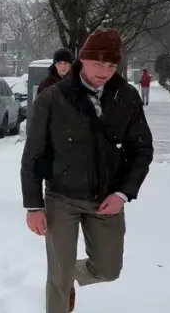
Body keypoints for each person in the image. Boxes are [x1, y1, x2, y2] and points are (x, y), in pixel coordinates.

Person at [20, 28, 154, 313]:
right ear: (82, 60)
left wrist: (122, 193)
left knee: (108, 270)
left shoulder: (127, 97)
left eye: (111, 65)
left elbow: (141, 149)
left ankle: (69, 277)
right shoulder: (53, 98)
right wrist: (33, 205)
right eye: (98, 63)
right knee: (58, 274)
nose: (104, 71)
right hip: (61, 197)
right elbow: (33, 154)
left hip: (106, 199)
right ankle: (61, 283)